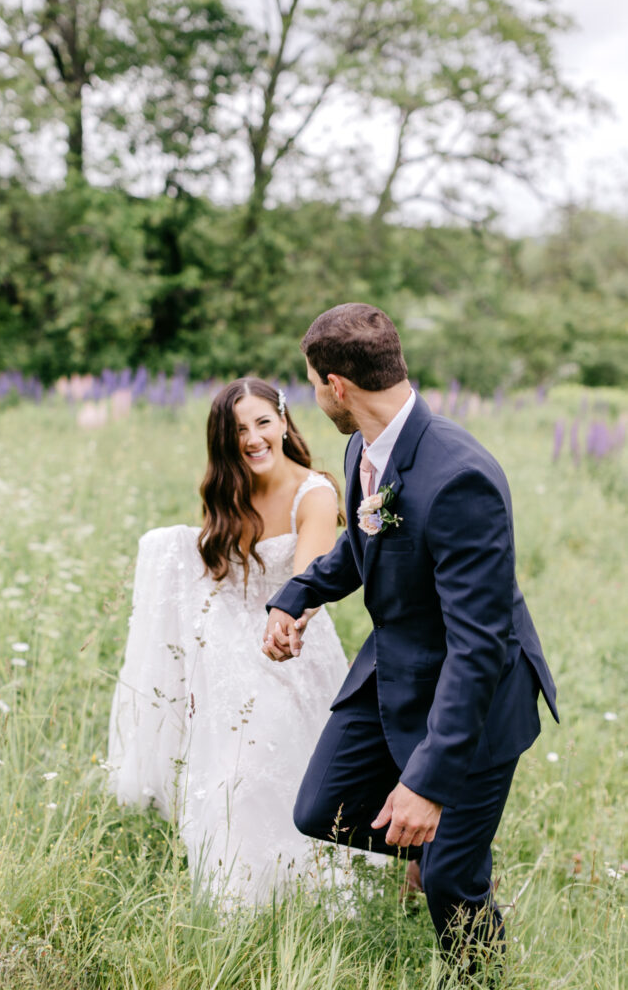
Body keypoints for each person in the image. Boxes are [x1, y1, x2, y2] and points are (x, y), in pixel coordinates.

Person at [263, 304, 558, 974]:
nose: (313, 395)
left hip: (473, 695)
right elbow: (363, 543)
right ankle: (451, 843)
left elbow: (479, 646)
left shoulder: (458, 477)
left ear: (337, 385)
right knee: (320, 809)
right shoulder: (362, 444)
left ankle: (481, 965)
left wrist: (425, 785)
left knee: (452, 883)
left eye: (312, 383)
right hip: (395, 667)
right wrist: (297, 595)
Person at [107, 377, 351, 903]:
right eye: (239, 429)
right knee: (227, 767)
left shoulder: (316, 492)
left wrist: (285, 626)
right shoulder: (229, 492)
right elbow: (217, 578)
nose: (254, 438)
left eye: (263, 422)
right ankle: (236, 898)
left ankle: (305, 893)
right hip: (227, 643)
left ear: (284, 423)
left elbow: (309, 582)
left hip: (292, 642)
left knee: (269, 757)